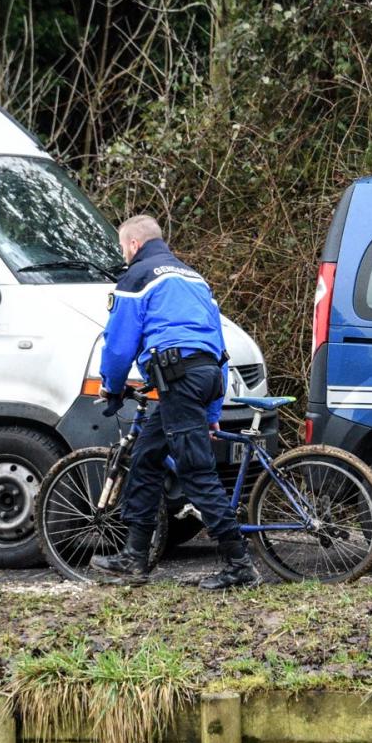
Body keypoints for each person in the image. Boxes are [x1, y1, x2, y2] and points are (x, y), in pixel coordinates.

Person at [89, 215, 253, 589]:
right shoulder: (194, 279)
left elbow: (118, 344)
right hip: (205, 375)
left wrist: (112, 388)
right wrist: (213, 411)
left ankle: (240, 563)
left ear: (132, 245)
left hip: (178, 378)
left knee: (196, 471)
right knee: (146, 458)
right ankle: (134, 558)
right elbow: (219, 349)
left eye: (123, 248)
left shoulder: (138, 276)